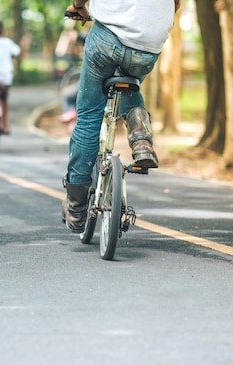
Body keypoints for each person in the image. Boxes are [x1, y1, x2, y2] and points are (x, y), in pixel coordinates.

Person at [61, 0, 180, 233]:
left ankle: (76, 210)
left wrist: (77, 6)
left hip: (108, 38)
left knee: (88, 116)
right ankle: (142, 141)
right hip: (149, 44)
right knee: (128, 81)